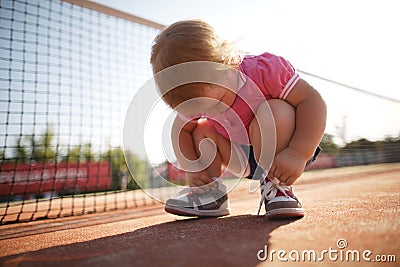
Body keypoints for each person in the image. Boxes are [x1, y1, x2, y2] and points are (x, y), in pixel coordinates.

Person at [150, 20, 326, 219]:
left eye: (215, 104)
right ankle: (210, 193)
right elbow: (180, 129)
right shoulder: (198, 94)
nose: (211, 111)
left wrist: (299, 152)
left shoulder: (264, 72)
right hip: (240, 157)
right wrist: (193, 168)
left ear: (227, 65)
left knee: (277, 110)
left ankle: (277, 187)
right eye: (200, 108)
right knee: (201, 128)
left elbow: (312, 101)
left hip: (284, 150)